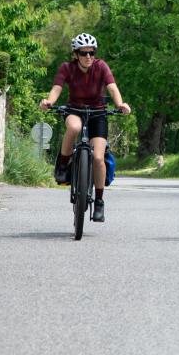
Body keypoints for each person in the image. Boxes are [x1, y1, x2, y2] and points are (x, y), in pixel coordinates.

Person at [39, 33, 131, 222]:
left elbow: (112, 87)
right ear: (75, 54)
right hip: (75, 110)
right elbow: (57, 88)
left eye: (92, 53)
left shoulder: (101, 66)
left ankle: (99, 202)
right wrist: (49, 101)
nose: (88, 57)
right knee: (73, 128)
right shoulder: (67, 68)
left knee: (98, 157)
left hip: (98, 113)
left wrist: (121, 104)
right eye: (83, 53)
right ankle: (63, 166)